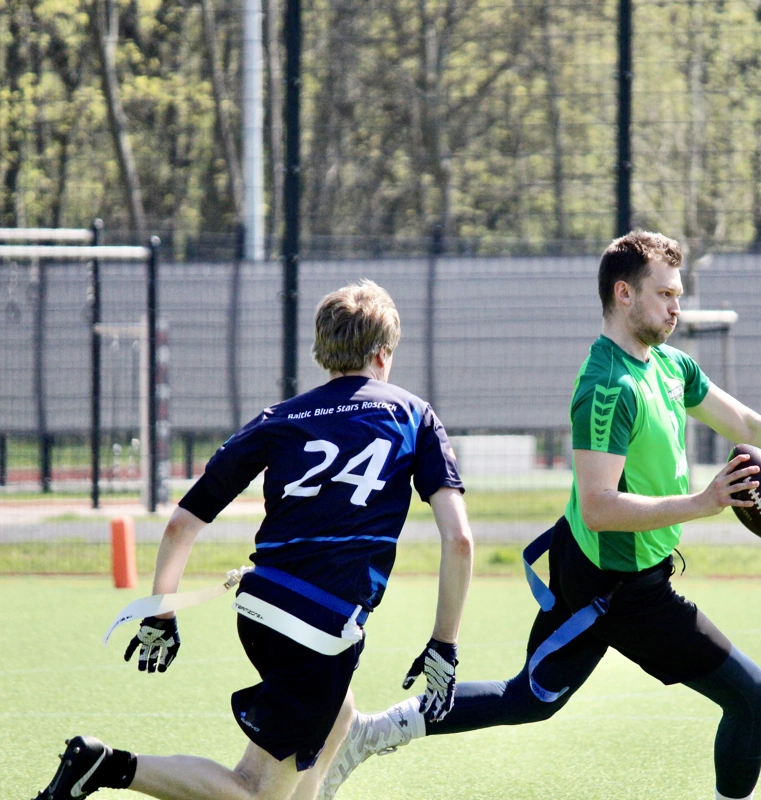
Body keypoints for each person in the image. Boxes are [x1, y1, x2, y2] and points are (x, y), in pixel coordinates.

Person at [319, 232, 761, 800]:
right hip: (617, 588)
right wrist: (704, 503)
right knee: (753, 698)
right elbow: (599, 509)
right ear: (624, 295)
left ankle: (374, 731)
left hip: (599, 566)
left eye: (678, 294)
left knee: (530, 699)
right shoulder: (607, 388)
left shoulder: (672, 368)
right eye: (665, 294)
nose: (677, 306)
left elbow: (751, 427)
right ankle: (372, 732)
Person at [33, 279, 474, 800]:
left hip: (259, 606)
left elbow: (181, 524)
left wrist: (161, 612)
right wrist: (444, 644)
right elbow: (460, 539)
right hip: (320, 627)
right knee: (256, 792)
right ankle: (105, 766)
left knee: (340, 715)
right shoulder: (414, 415)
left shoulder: (282, 417)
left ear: (323, 350)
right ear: (383, 354)